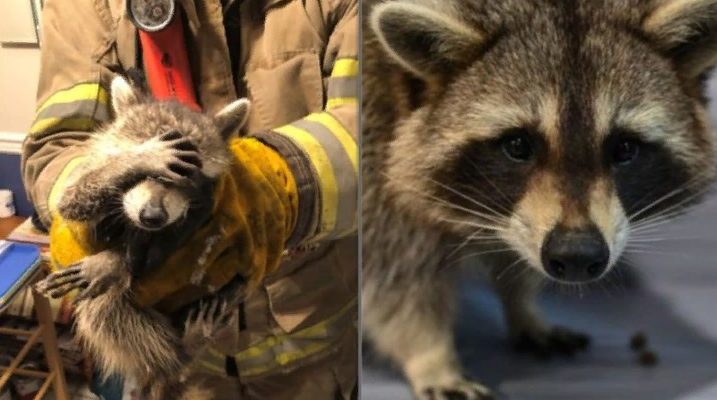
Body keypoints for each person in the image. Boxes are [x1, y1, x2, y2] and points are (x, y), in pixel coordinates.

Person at [21, 0, 358, 398]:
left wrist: (279, 184)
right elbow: (58, 145)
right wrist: (101, 219)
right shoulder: (83, 7)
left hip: (310, 346)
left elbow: (388, 129)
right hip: (179, 368)